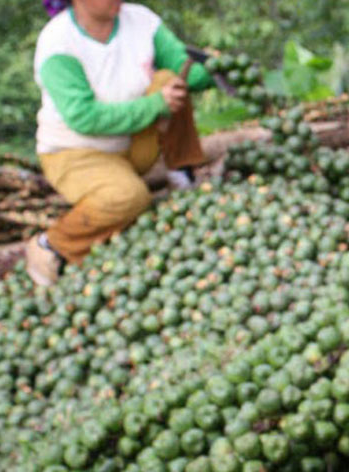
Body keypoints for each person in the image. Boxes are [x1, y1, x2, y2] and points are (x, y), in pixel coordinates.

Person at [26, 0, 213, 286]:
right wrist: (155, 105)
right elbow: (84, 118)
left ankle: (182, 174)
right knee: (129, 197)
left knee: (169, 79)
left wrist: (216, 69)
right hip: (76, 153)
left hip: (132, 143)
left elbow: (182, 63)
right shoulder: (58, 44)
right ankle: (51, 245)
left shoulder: (140, 20)